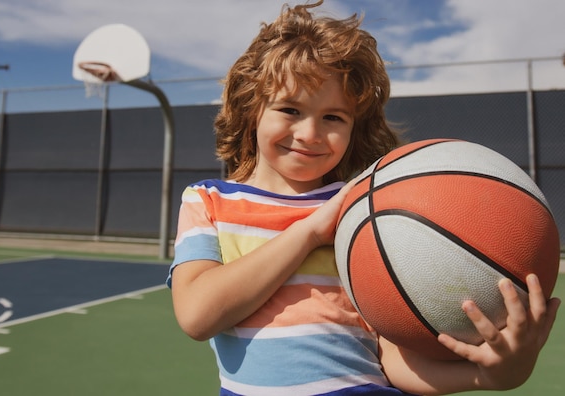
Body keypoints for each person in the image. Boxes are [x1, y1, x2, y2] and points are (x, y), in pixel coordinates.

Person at [167, 1, 560, 395]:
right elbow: (198, 316)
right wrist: (308, 233)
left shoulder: (364, 210)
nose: (310, 133)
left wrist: (490, 376)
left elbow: (388, 360)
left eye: (333, 117)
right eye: (290, 109)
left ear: (355, 127)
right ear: (251, 110)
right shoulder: (209, 201)